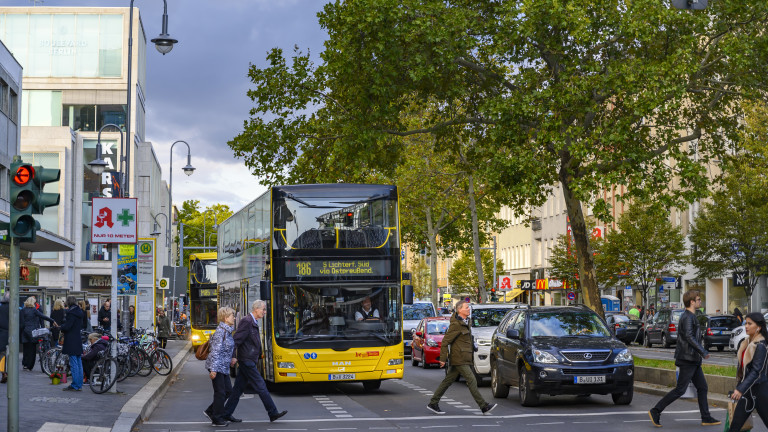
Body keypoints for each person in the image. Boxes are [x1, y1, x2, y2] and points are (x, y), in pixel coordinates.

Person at [649, 290, 720, 427]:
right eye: (698, 299)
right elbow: (689, 336)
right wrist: (702, 351)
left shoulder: (690, 316)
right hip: (688, 359)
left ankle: (706, 417)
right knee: (680, 390)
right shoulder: (688, 317)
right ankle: (656, 410)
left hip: (693, 359)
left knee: (702, 387)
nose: (700, 301)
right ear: (692, 302)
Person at [427, 300, 496, 415]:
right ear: (459, 310)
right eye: (466, 307)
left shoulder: (465, 322)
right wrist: (442, 359)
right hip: (459, 358)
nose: (469, 309)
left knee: (447, 381)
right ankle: (484, 406)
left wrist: (473, 345)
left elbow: (464, 340)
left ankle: (433, 403)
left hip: (463, 356)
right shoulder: (456, 325)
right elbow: (445, 341)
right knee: (472, 380)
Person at [223, 300, 287, 423]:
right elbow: (236, 340)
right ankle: (272, 412)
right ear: (256, 309)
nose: (265, 312)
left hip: (249, 359)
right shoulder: (247, 321)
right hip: (246, 360)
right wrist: (233, 356)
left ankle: (226, 413)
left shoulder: (253, 321)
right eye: (263, 309)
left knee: (237, 389)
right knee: (261, 386)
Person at [727, 312, 768, 432]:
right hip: (747, 392)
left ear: (758, 327)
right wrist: (739, 387)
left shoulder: (760, 345)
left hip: (760, 392)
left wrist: (740, 389)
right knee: (735, 426)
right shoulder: (746, 342)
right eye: (746, 323)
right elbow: (744, 370)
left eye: (750, 324)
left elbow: (756, 371)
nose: (746, 326)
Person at [204, 307, 237, 427]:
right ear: (226, 318)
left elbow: (226, 349)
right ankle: (216, 419)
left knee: (228, 391)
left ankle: (211, 411)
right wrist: (213, 370)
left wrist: (231, 358)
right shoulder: (220, 332)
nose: (234, 318)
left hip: (223, 366)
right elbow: (215, 352)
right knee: (220, 393)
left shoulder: (227, 331)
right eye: (232, 316)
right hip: (217, 366)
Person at [21, 296, 56, 371]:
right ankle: (29, 365)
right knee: (32, 349)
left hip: (25, 331)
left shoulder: (23, 310)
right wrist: (52, 320)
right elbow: (43, 316)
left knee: (26, 349)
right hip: (33, 332)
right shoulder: (34, 310)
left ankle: (25, 364)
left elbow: (21, 322)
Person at [60, 296, 84, 391]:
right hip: (77, 338)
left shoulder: (71, 313)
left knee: (73, 364)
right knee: (79, 362)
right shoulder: (79, 311)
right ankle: (79, 384)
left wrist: (61, 327)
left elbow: (67, 326)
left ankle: (75, 385)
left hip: (71, 339)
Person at [0, 292, 10, 383]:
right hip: (9, 334)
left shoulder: (1, 307)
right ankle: (4, 372)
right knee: (5, 354)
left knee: (2, 354)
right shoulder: (12, 309)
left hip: (1, 333)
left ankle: (4, 372)